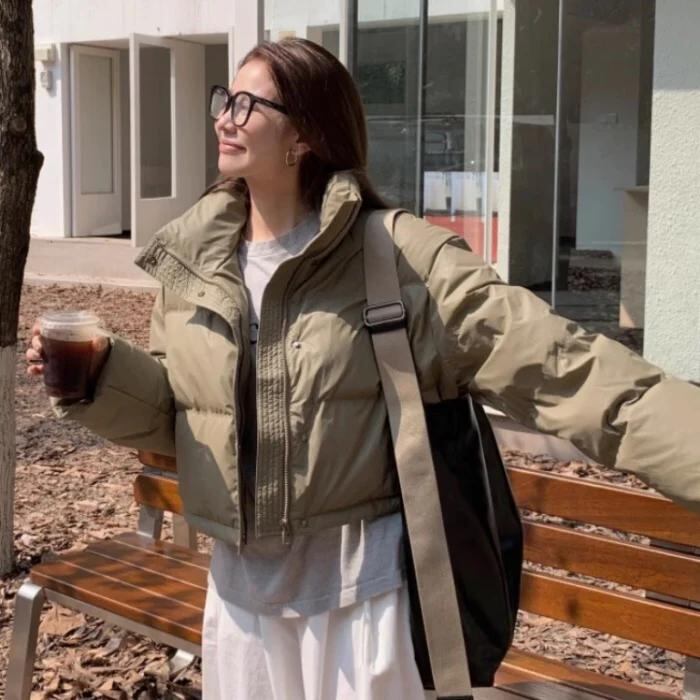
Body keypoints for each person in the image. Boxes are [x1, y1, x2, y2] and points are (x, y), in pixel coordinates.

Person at [26, 38, 700, 700]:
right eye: (224, 99)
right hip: (239, 599)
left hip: (361, 606)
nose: (225, 117)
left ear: (305, 136)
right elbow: (187, 420)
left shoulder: (400, 259)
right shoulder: (196, 264)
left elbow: (571, 371)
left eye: (248, 104)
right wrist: (103, 376)